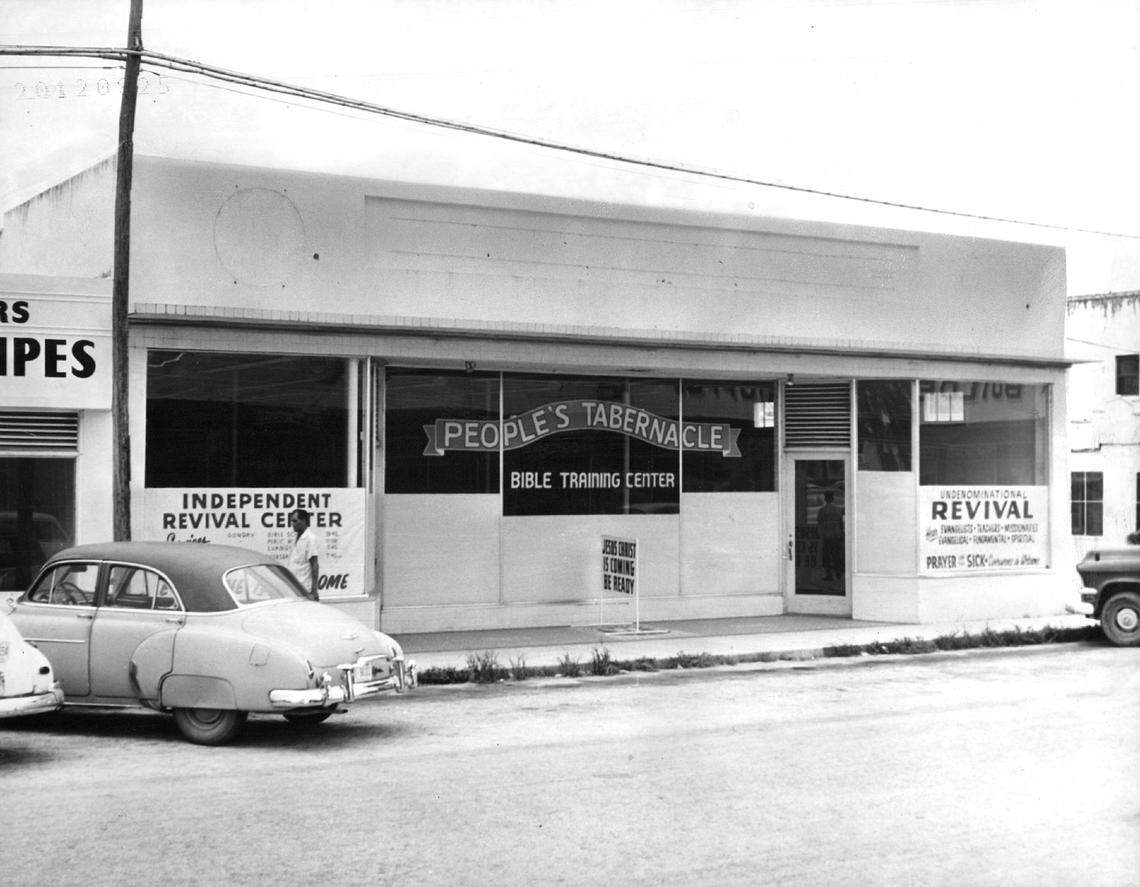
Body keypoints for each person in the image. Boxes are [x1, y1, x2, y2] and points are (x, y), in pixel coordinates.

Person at [288, 509, 320, 601]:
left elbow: (315, 565)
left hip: (305, 589)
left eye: (295, 521)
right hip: (294, 588)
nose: (292, 524)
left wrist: (314, 591)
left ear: (304, 521)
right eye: (291, 521)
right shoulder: (296, 537)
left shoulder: (310, 539)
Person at [816, 491, 845, 582]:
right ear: (833, 498)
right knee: (837, 555)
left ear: (825, 498)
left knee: (827, 557)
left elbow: (819, 523)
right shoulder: (838, 509)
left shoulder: (822, 510)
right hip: (837, 536)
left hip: (826, 537)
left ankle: (829, 575)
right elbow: (841, 523)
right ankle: (838, 574)